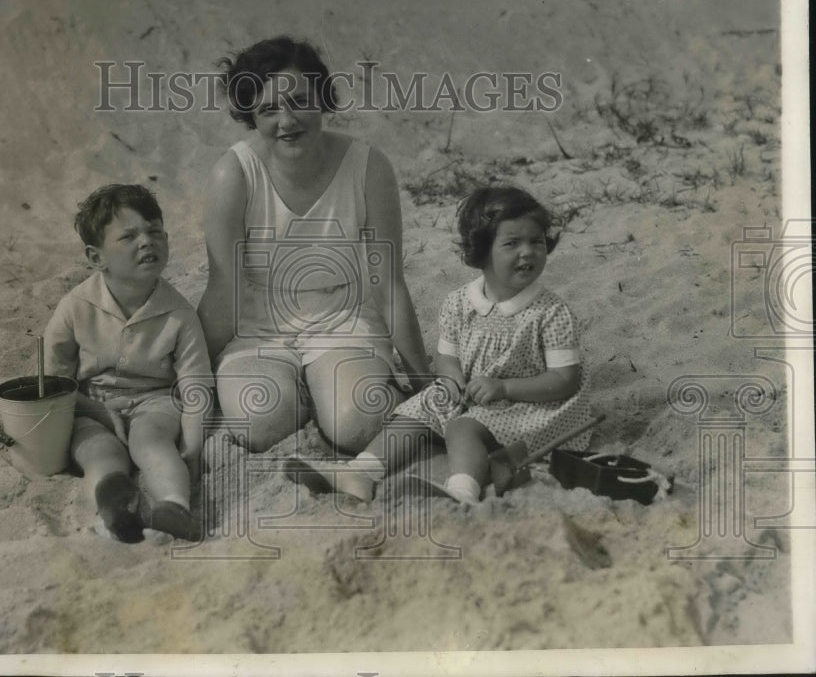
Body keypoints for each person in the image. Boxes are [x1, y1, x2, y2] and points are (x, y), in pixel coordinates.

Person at [197, 36, 431, 454]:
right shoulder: (233, 174)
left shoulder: (368, 166)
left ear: (322, 97)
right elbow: (222, 290)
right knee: (261, 421)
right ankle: (303, 392)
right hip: (258, 328)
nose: (287, 120)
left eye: (299, 100)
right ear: (250, 114)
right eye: (268, 109)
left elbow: (389, 284)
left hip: (343, 319)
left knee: (358, 424)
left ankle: (328, 392)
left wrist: (424, 384)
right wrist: (187, 377)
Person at [287, 185, 591, 503]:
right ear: (482, 252)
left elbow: (564, 380)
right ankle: (363, 471)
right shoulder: (459, 303)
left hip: (533, 405)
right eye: (512, 243)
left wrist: (505, 388)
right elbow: (448, 357)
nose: (527, 252)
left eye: (536, 241)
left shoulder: (551, 312)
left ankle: (462, 491)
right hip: (478, 395)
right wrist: (450, 378)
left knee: (463, 427)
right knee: (416, 409)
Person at [44, 184, 212, 542]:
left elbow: (196, 383)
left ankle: (173, 506)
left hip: (157, 401)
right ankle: (112, 511)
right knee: (100, 454)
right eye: (129, 236)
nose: (146, 242)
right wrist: (99, 413)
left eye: (154, 232)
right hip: (92, 404)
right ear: (96, 257)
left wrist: (193, 448)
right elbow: (55, 383)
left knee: (151, 443)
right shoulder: (75, 307)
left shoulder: (179, 313)